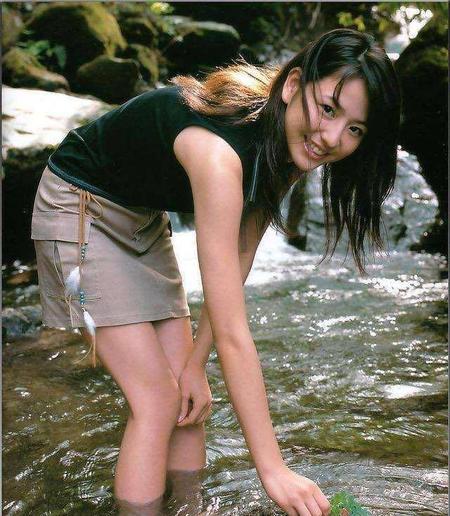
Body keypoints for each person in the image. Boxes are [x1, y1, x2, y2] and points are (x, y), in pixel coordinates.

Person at [31, 28, 400, 515]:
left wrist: (195, 366)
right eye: (328, 109)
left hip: (141, 216)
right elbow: (232, 331)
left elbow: (239, 257)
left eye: (355, 129)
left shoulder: (287, 142)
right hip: (78, 204)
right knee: (156, 402)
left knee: (190, 403)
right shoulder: (219, 157)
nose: (331, 138)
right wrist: (273, 469)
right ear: (292, 85)